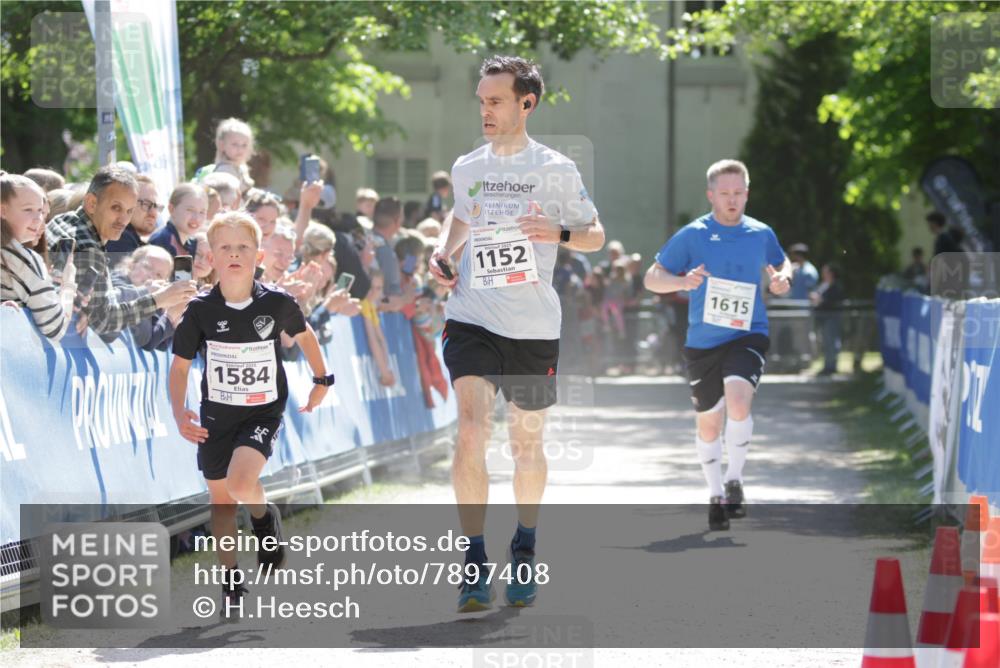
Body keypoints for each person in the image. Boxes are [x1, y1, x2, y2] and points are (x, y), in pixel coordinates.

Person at [428, 55, 605, 612]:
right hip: (472, 316)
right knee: (471, 431)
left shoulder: (555, 170)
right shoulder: (467, 166)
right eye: (481, 99)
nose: (485, 108)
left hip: (531, 328)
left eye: (496, 100)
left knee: (524, 444)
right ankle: (474, 559)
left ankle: (524, 545)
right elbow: (463, 214)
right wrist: (444, 249)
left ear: (526, 103)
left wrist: (557, 230)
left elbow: (595, 236)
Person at [169, 211, 332, 619]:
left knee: (242, 482)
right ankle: (231, 581)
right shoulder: (200, 310)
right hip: (216, 417)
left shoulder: (276, 302)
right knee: (221, 501)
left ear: (258, 254)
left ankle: (263, 518)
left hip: (262, 410)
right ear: (212, 255)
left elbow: (305, 335)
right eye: (225, 247)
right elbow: (180, 367)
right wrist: (179, 411)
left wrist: (321, 379)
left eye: (243, 247)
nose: (235, 254)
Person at [643, 159, 792, 531]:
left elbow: (780, 262)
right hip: (703, 343)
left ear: (747, 193)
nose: (732, 200)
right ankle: (715, 494)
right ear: (711, 195)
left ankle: (735, 479)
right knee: (709, 424)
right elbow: (652, 278)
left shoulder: (761, 233)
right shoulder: (693, 235)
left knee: (739, 401)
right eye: (724, 193)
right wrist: (682, 282)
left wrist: (782, 278)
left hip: (748, 333)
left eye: (738, 193)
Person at [47, 165, 197, 338]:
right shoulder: (88, 247)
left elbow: (103, 304)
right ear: (91, 203)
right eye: (116, 208)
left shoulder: (63, 220)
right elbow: (105, 322)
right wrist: (159, 299)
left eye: (129, 211)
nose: (124, 220)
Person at [1, 173, 77, 341]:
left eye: (41, 212)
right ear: (2, 210)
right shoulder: (21, 258)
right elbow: (54, 327)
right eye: (28, 210)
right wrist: (68, 285)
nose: (38, 219)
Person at [112, 245, 187, 350]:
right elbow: (146, 340)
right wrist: (169, 316)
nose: (151, 276)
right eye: (147, 267)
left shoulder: (154, 298)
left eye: (159, 275)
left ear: (164, 283)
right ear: (131, 265)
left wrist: (174, 313)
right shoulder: (115, 284)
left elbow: (162, 345)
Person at [105, 174, 161, 268]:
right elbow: (127, 280)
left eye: (156, 206)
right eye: (146, 204)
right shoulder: (120, 236)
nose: (153, 213)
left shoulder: (131, 237)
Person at [195, 117, 255, 194]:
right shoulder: (224, 170)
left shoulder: (240, 168)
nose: (240, 149)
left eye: (244, 145)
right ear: (222, 145)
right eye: (235, 144)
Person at [148, 183, 208, 258]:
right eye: (190, 210)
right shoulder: (162, 241)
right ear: (171, 209)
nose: (197, 218)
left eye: (202, 212)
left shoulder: (190, 243)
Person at [811, 263, 844, 375]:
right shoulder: (824, 285)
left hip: (832, 318)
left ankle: (831, 366)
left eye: (825, 272)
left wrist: (820, 300)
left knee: (832, 342)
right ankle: (827, 365)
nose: (823, 274)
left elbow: (832, 301)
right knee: (826, 343)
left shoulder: (836, 286)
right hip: (823, 319)